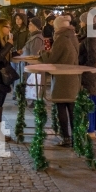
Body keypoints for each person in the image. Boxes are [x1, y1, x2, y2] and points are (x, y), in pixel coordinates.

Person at [40, 15, 79, 147]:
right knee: (72, 108)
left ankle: (66, 138)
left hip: (62, 79)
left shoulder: (61, 39)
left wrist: (43, 53)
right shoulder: (73, 36)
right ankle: (76, 138)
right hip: (73, 78)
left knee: (61, 107)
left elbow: (52, 58)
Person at [78, 12, 96, 137]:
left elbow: (93, 57)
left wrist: (83, 65)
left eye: (82, 21)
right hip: (86, 73)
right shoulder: (88, 35)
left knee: (88, 101)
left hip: (87, 74)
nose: (80, 23)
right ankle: (88, 128)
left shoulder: (91, 37)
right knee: (87, 101)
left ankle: (90, 129)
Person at [22, 17, 44, 107]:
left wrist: (31, 64)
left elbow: (35, 54)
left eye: (30, 25)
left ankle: (37, 101)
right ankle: (34, 100)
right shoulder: (33, 36)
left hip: (34, 65)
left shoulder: (37, 38)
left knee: (35, 82)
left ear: (35, 27)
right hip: (30, 64)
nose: (28, 26)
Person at [11, 13, 29, 99]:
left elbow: (27, 42)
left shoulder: (26, 31)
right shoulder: (12, 30)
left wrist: (22, 50)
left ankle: (16, 92)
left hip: (21, 54)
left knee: (19, 73)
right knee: (13, 73)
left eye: (19, 19)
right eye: (16, 18)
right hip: (13, 54)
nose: (17, 20)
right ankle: (15, 90)